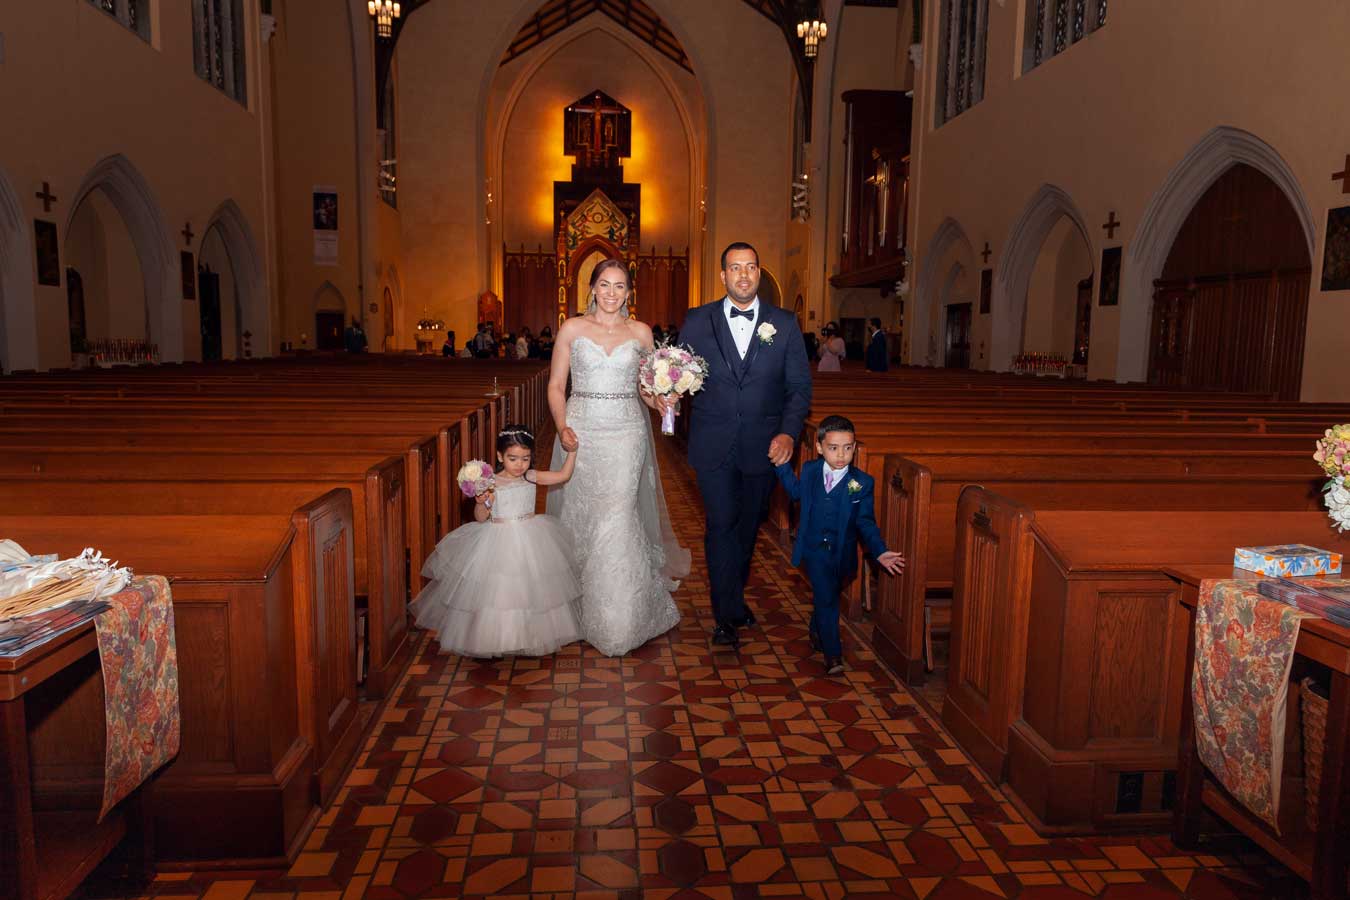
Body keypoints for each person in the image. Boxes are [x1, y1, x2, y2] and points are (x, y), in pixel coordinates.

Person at [546, 259, 689, 657]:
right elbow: (556, 385)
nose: (611, 293)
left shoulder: (640, 332)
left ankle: (620, 616)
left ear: (629, 291)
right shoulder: (572, 329)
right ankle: (578, 604)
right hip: (582, 429)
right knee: (584, 512)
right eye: (604, 285)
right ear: (592, 288)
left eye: (620, 286)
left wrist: (663, 402)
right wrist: (562, 426)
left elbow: (647, 389)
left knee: (619, 514)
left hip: (627, 432)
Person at [679, 242, 812, 648]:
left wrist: (788, 433)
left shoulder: (784, 323)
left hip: (763, 446)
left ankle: (733, 601)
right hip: (713, 443)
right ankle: (725, 618)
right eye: (735, 267)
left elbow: (799, 388)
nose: (743, 274)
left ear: (758, 273)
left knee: (748, 527)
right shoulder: (697, 320)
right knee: (721, 525)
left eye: (750, 267)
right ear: (723, 275)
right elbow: (678, 371)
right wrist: (667, 393)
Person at [411, 425, 583, 658]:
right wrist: (481, 502)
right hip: (498, 541)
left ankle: (530, 635)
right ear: (500, 456)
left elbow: (563, 476)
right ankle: (499, 637)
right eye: (513, 458)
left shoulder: (531, 476)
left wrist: (572, 451)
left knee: (532, 590)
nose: (519, 464)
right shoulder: (490, 482)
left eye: (525, 458)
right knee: (501, 592)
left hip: (531, 538)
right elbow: (481, 518)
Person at [774, 415, 904, 674]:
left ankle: (816, 630)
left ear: (854, 448)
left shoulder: (861, 483)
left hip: (842, 555)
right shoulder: (810, 470)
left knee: (828, 596)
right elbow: (797, 493)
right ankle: (833, 655)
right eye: (833, 448)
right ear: (820, 447)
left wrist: (879, 551)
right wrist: (781, 466)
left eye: (847, 448)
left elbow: (865, 522)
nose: (841, 455)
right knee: (828, 602)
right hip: (814, 551)